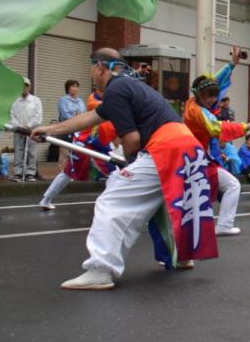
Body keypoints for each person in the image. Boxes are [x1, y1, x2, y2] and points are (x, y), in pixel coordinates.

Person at [29, 48, 218, 290]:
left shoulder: (116, 90)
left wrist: (131, 163)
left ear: (100, 67)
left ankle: (101, 269)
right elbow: (90, 118)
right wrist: (50, 130)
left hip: (165, 148)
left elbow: (132, 139)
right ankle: (181, 256)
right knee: (163, 202)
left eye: (92, 68)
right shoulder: (130, 86)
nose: (92, 74)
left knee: (113, 201)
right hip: (188, 147)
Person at [182, 56, 250, 236]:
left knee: (194, 196)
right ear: (199, 93)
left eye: (215, 95)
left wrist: (231, 65)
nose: (214, 99)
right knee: (231, 185)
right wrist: (244, 127)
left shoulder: (195, 101)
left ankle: (213, 226)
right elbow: (216, 127)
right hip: (193, 159)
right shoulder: (197, 111)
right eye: (210, 96)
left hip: (194, 157)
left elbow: (214, 82)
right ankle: (222, 225)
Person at [39, 92, 118, 211]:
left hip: (86, 143)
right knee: (113, 174)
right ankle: (110, 205)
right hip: (87, 144)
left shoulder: (107, 111)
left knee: (67, 174)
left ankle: (46, 199)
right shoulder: (97, 102)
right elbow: (94, 105)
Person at [9, 77, 43, 181]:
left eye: (26, 85)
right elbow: (11, 115)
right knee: (18, 150)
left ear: (30, 87)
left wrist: (28, 125)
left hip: (32, 129)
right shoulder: (15, 100)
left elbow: (38, 116)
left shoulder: (36, 100)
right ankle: (18, 173)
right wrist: (18, 126)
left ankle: (30, 173)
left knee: (32, 151)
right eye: (23, 85)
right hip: (18, 129)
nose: (24, 87)